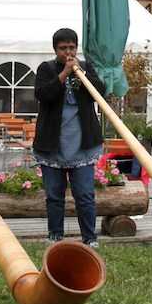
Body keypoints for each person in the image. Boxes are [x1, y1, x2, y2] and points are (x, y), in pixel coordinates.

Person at [33, 28, 106, 249]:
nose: (68, 52)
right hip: (53, 144)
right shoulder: (46, 68)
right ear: (55, 50)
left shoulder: (85, 67)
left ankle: (90, 238)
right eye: (63, 48)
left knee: (85, 195)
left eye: (72, 47)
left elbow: (100, 92)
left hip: (82, 143)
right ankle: (55, 236)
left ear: (77, 47)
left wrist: (82, 74)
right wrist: (64, 73)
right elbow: (43, 95)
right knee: (54, 195)